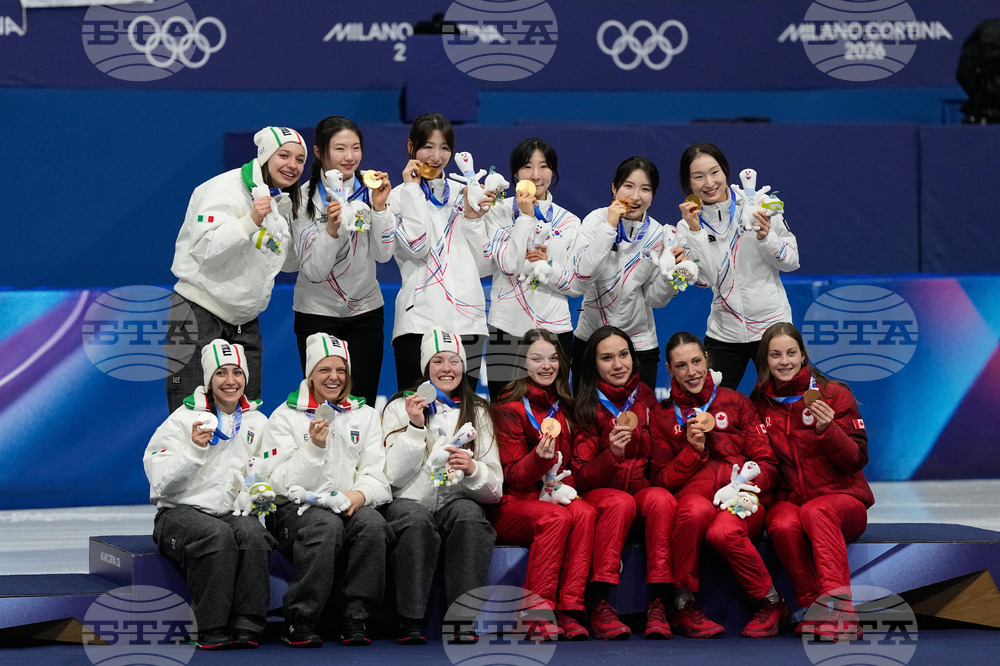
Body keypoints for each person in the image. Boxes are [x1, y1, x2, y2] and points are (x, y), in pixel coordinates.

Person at [649, 331, 787, 638]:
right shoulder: (661, 415)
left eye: (697, 361)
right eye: (681, 366)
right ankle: (684, 605)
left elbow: (768, 462)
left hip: (742, 499)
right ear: (670, 370)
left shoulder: (736, 403)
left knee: (723, 532)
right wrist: (692, 451)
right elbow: (661, 479)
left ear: (707, 360)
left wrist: (744, 487)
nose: (692, 372)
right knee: (691, 510)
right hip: (696, 499)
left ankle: (772, 601)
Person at [262, 333, 393, 647]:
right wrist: (314, 451)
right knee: (325, 524)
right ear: (310, 373)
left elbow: (377, 475)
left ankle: (355, 617)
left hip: (348, 502)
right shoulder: (285, 417)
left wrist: (360, 495)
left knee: (373, 525)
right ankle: (300, 620)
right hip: (294, 511)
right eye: (325, 370)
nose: (334, 377)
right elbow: (276, 485)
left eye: (341, 370)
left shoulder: (365, 415)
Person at [144, 339, 275, 650]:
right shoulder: (183, 418)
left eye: (237, 373)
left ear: (246, 377)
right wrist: (193, 450)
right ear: (208, 379)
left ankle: (248, 624)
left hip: (232, 512)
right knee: (216, 535)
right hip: (178, 514)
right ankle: (210, 626)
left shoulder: (257, 421)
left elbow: (270, 466)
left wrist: (261, 490)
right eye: (221, 373)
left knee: (254, 536)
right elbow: (160, 481)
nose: (230, 381)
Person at [165, 126, 306, 412]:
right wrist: (251, 220)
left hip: (245, 321)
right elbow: (204, 248)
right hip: (197, 311)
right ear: (265, 155)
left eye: (300, 159)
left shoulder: (280, 199)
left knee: (247, 417)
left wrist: (322, 230)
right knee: (189, 415)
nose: (293, 165)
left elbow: (287, 261)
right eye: (285, 155)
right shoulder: (224, 189)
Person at [750, 322, 874, 641]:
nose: (784, 361)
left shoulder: (833, 394)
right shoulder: (760, 401)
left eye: (791, 353)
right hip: (794, 500)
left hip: (844, 501)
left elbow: (856, 459)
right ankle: (811, 609)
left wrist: (828, 429)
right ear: (765, 360)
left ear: (803, 355)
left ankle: (842, 614)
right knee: (780, 522)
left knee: (816, 512)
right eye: (775, 355)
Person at [381, 327, 503, 644]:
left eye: (454, 361)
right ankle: (410, 620)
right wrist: (414, 429)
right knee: (415, 520)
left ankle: (462, 620)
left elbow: (495, 490)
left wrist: (473, 469)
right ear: (425, 367)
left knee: (472, 518)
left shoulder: (477, 411)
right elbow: (390, 478)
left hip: (454, 501)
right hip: (409, 501)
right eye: (437, 361)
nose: (446, 369)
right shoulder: (399, 406)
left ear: (464, 367)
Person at [570, 326, 676, 640]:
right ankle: (599, 603)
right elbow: (579, 477)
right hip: (600, 496)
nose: (618, 364)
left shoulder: (644, 396)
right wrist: (611, 453)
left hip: (639, 493)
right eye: (607, 358)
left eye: (623, 354)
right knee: (620, 501)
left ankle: (660, 603)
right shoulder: (585, 405)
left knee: (661, 499)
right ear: (593, 365)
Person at [490, 329, 596, 640]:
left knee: (586, 512)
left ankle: (569, 610)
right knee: (556, 517)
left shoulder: (565, 408)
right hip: (511, 505)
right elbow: (512, 478)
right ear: (522, 364)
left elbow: (574, 467)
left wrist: (560, 484)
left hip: (549, 496)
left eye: (552, 358)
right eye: (537, 359)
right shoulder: (507, 409)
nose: (546, 365)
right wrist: (537, 460)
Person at [675, 142, 799, 390]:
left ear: (725, 172)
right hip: (725, 333)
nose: (709, 183)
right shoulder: (686, 227)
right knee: (713, 405)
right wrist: (696, 232)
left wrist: (767, 237)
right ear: (688, 184)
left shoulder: (759, 205)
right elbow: (706, 279)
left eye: (714, 172)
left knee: (787, 403)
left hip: (771, 326)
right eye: (698, 177)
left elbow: (792, 261)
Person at [291, 116, 394, 405]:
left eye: (356, 148)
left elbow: (384, 254)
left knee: (362, 402)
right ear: (319, 152)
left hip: (366, 311)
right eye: (339, 149)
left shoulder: (374, 192)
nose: (349, 157)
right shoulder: (301, 199)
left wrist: (381, 208)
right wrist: (332, 230)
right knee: (324, 403)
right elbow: (313, 270)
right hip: (316, 312)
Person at [387, 113, 493, 391]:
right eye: (428, 147)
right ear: (412, 148)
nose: (437, 155)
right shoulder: (396, 197)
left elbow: (485, 266)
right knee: (414, 412)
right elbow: (417, 246)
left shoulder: (467, 193)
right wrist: (412, 190)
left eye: (445, 147)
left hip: (467, 322)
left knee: (464, 415)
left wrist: (472, 220)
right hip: (418, 322)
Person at [572, 156, 686, 391]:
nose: (635, 196)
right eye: (628, 186)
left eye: (645, 189)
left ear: (652, 195)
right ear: (614, 188)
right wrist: (608, 228)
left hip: (638, 345)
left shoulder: (658, 234)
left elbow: (655, 299)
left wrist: (670, 275)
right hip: (590, 341)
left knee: (640, 423)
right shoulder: (596, 220)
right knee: (586, 420)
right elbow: (582, 276)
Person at [483, 139, 582, 399]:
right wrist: (525, 218)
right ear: (515, 173)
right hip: (506, 328)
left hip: (555, 330)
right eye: (527, 167)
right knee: (502, 416)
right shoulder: (497, 213)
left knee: (552, 417)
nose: (536, 176)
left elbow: (576, 285)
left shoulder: (570, 222)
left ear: (553, 172)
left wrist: (547, 268)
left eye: (544, 167)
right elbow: (509, 265)